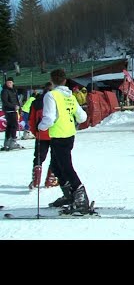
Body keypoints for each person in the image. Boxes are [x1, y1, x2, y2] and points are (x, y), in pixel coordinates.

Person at [38, 69, 89, 214]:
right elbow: (82, 117)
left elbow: (49, 118)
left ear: (51, 81)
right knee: (55, 166)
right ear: (65, 80)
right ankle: (69, 195)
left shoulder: (51, 95)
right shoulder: (70, 97)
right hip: (69, 135)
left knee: (65, 167)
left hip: (59, 136)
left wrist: (39, 127)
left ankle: (80, 197)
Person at [28, 82, 59, 189]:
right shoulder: (57, 100)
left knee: (39, 157)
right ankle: (50, 179)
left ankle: (36, 180)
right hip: (55, 133)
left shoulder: (37, 102)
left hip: (41, 133)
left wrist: (35, 132)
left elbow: (31, 120)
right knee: (55, 157)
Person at [1, 77, 22, 150]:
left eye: (10, 82)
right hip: (9, 110)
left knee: (10, 126)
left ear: (13, 83)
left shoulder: (14, 90)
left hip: (14, 110)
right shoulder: (5, 91)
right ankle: (13, 141)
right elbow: (5, 101)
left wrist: (19, 109)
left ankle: (7, 142)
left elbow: (17, 100)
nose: (9, 84)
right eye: (7, 82)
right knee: (14, 125)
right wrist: (14, 106)